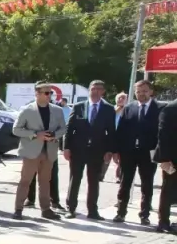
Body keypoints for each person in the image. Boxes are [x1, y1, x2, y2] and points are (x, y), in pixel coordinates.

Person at [11, 81, 66, 220]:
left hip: (49, 151)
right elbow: (16, 130)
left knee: (45, 181)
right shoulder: (27, 110)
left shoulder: (57, 110)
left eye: (50, 92)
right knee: (25, 181)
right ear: (37, 93)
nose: (49, 95)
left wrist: (54, 135)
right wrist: (36, 134)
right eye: (46, 93)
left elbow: (63, 128)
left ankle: (46, 209)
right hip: (31, 151)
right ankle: (18, 209)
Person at [63, 80, 117, 220]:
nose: (96, 91)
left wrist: (110, 150)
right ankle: (71, 208)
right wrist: (66, 147)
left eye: (99, 89)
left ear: (103, 91)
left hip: (97, 150)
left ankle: (92, 210)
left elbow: (111, 131)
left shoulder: (109, 109)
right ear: (89, 89)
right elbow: (69, 128)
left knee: (94, 181)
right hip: (78, 149)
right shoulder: (79, 106)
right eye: (93, 88)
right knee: (75, 179)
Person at [114, 80, 162, 224]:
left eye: (145, 91)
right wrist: (116, 151)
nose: (141, 94)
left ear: (151, 91)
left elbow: (162, 132)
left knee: (147, 184)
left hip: (149, 153)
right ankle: (121, 213)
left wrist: (159, 152)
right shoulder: (129, 108)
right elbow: (120, 131)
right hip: (129, 152)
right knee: (125, 183)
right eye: (138, 91)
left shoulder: (159, 108)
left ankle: (144, 214)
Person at [153, 100, 177, 234]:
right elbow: (163, 135)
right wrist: (165, 159)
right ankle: (163, 222)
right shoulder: (170, 109)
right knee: (168, 190)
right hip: (172, 158)